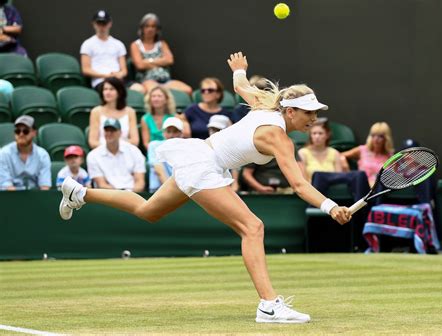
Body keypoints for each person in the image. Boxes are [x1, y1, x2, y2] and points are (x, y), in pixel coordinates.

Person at [59, 52, 351, 324]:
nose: (313, 118)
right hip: (204, 166)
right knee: (253, 227)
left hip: (199, 158)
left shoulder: (264, 104)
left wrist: (239, 70)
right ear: (289, 111)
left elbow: (240, 86)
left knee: (148, 210)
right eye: (307, 112)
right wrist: (330, 206)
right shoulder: (278, 137)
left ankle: (80, 193)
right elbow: (299, 185)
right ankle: (268, 304)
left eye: (315, 112)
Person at [129, 13, 192, 95]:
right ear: (142, 28)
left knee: (188, 90)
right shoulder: (135, 45)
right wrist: (161, 62)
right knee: (156, 92)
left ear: (157, 29)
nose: (150, 29)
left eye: (153, 26)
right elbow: (140, 65)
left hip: (166, 81)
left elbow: (170, 60)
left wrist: (148, 62)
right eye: (147, 26)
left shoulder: (162, 44)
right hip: (147, 80)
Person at [86, 118, 145, 191]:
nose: (109, 133)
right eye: (107, 130)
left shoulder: (134, 151)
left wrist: (131, 195)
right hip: (107, 196)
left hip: (132, 194)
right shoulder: (93, 155)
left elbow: (140, 182)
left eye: (113, 130)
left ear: (120, 132)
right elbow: (101, 184)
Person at [0, 116, 51, 190]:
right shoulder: (4, 153)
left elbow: (44, 187)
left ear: (34, 133)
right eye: (17, 131)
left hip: (35, 198)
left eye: (25, 131)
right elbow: (6, 185)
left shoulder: (43, 155)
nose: (21, 134)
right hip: (10, 198)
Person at [80, 10, 127, 88]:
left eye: (104, 23)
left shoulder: (119, 44)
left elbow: (124, 70)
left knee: (138, 88)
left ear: (110, 24)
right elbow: (86, 70)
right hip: (100, 82)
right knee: (111, 89)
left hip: (118, 81)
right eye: (99, 23)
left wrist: (118, 75)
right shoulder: (87, 44)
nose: (101, 27)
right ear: (93, 24)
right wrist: (105, 76)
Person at [88, 77, 139, 149]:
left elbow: (135, 141)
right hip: (102, 151)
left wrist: (118, 147)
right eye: (105, 89)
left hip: (125, 151)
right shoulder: (96, 112)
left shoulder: (130, 112)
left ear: (119, 92)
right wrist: (110, 148)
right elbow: (93, 142)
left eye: (111, 89)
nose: (107, 92)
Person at [342, 122, 394, 187]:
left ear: (386, 139)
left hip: (379, 189)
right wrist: (343, 160)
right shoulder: (362, 150)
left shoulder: (390, 156)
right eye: (373, 135)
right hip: (362, 187)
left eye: (380, 136)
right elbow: (340, 155)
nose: (376, 139)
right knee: (360, 176)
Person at [147, 117, 184, 192]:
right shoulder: (154, 145)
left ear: (181, 133)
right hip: (158, 191)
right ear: (163, 133)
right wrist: (171, 191)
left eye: (175, 131)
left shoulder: (186, 148)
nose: (171, 135)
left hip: (180, 191)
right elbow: (159, 170)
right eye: (168, 131)